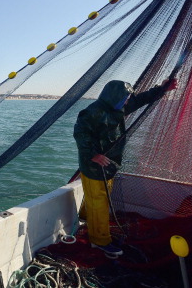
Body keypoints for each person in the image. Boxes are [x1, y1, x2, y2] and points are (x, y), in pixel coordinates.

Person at [73, 78, 177, 257]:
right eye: (125, 97)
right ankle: (99, 241)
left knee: (100, 196)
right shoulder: (92, 112)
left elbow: (140, 99)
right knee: (99, 201)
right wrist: (93, 155)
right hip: (94, 167)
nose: (128, 101)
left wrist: (162, 88)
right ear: (114, 96)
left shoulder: (118, 107)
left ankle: (85, 217)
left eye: (127, 98)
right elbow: (80, 134)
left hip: (109, 164)